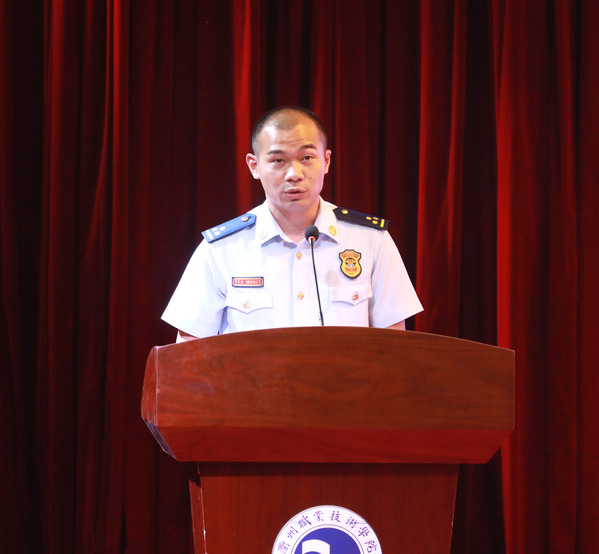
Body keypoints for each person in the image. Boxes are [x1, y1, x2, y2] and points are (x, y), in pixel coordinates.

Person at [162, 106, 422, 341]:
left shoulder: (370, 241)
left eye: (306, 158)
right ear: (254, 166)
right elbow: (189, 349)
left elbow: (394, 343)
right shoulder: (222, 249)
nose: (294, 174)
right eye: (278, 160)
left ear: (326, 161)